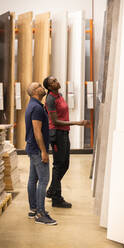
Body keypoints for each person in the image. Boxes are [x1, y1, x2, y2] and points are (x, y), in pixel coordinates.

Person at [43, 76, 90, 208]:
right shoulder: (50, 99)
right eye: (53, 81)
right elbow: (56, 121)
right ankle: (56, 198)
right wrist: (77, 122)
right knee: (59, 165)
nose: (56, 82)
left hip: (64, 133)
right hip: (57, 134)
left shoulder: (60, 95)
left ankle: (52, 190)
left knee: (65, 164)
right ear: (49, 87)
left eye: (56, 80)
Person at [25, 82, 57, 225]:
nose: (42, 87)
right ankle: (40, 213)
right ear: (34, 91)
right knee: (44, 180)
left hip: (32, 148)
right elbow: (37, 132)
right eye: (39, 86)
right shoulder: (37, 108)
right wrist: (44, 151)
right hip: (37, 149)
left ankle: (33, 209)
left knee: (33, 179)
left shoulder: (33, 105)